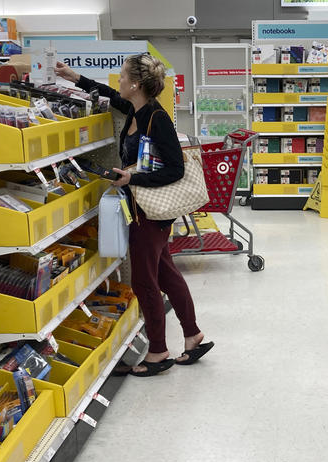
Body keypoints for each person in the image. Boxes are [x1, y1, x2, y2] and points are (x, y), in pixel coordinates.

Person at [55, 54, 214, 377]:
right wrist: (76, 78)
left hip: (150, 212)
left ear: (136, 84)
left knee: (144, 282)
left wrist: (132, 179)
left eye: (124, 76)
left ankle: (157, 351)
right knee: (166, 272)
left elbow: (175, 169)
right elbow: (109, 94)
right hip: (142, 208)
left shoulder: (157, 118)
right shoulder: (134, 109)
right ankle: (193, 335)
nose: (119, 81)